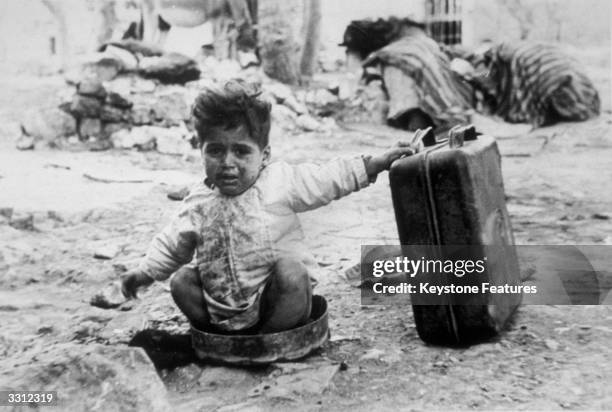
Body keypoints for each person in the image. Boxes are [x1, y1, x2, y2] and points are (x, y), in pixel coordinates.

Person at [121, 79, 414, 334]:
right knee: (181, 281)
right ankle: (224, 337)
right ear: (201, 151)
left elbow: (326, 179)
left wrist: (374, 164)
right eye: (215, 150)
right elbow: (172, 244)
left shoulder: (279, 182)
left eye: (241, 151)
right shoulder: (197, 203)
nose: (227, 163)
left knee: (292, 272)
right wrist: (144, 273)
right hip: (221, 305)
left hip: (276, 301)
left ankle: (268, 336)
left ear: (263, 156)